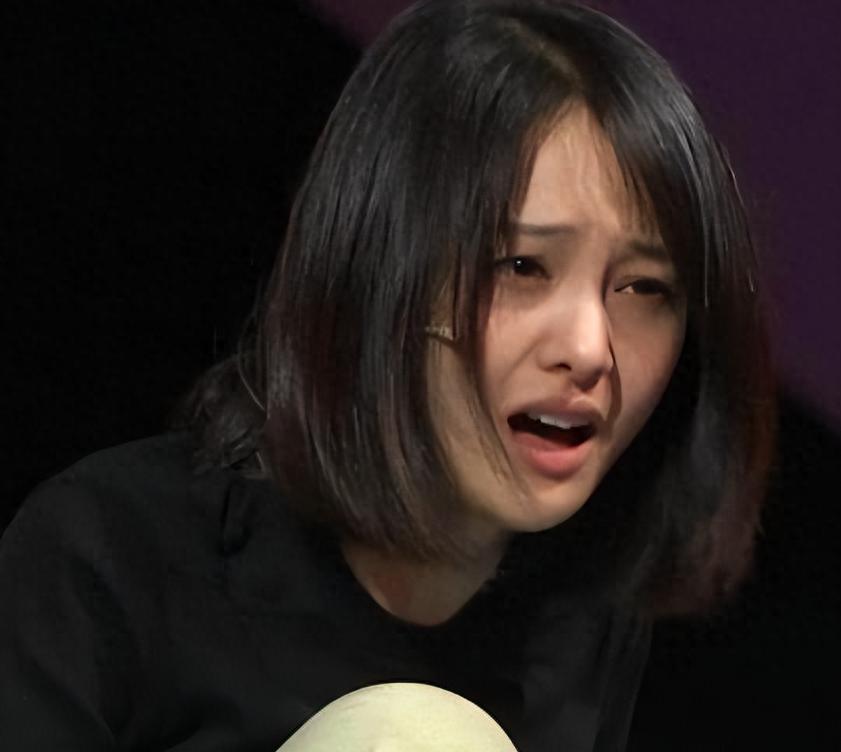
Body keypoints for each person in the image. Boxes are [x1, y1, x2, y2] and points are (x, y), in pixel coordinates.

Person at [0, 0, 775, 749]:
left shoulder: (586, 622)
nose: (588, 347)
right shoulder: (109, 558)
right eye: (521, 266)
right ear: (379, 264)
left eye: (644, 288)